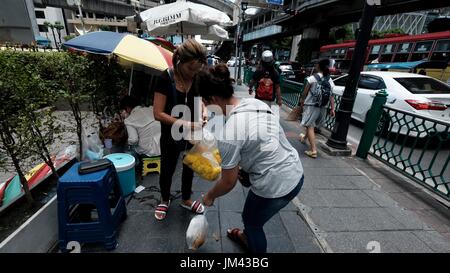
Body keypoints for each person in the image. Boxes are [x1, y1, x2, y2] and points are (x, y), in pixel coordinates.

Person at [198, 64, 304, 253]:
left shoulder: (229, 133)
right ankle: (245, 237)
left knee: (252, 222)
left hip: (275, 185)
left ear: (213, 99)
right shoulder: (256, 103)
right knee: (253, 217)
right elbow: (263, 142)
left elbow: (228, 182)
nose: (206, 108)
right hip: (295, 171)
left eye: (205, 103)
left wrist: (209, 196)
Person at [153, 39, 208, 221]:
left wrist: (204, 112)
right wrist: (186, 124)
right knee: (167, 168)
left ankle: (186, 199)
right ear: (180, 62)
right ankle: (164, 199)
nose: (195, 73)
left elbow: (200, 100)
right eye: (191, 69)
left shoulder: (197, 78)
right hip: (170, 134)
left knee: (189, 167)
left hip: (192, 134)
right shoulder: (164, 78)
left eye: (198, 68)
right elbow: (158, 113)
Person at [298, 59, 336, 159]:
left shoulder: (312, 78)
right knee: (311, 125)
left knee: (309, 125)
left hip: (311, 106)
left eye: (316, 64)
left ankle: (313, 150)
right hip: (322, 106)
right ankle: (304, 138)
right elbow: (331, 95)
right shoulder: (329, 79)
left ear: (319, 66)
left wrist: (301, 102)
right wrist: (332, 108)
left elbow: (305, 93)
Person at [120, 96, 161, 178]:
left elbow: (133, 140)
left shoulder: (129, 120)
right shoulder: (152, 109)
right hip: (163, 145)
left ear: (127, 108)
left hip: (148, 150)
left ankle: (135, 166)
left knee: (127, 148)